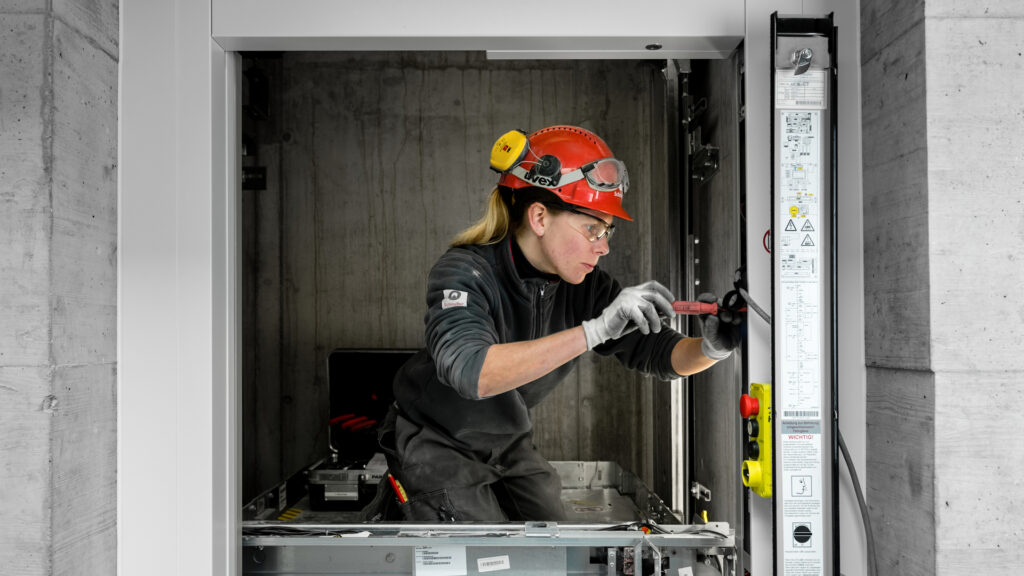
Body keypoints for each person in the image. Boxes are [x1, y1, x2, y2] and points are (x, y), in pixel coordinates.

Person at [369, 125, 740, 523]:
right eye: (592, 228)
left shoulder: (585, 286)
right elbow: (472, 372)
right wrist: (594, 330)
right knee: (477, 546)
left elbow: (659, 353)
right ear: (540, 217)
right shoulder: (465, 273)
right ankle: (397, 507)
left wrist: (712, 348)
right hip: (435, 438)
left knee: (551, 534)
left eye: (607, 230)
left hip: (505, 439)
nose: (604, 245)